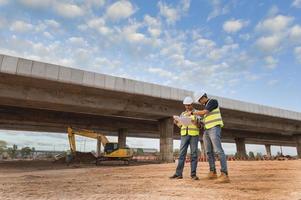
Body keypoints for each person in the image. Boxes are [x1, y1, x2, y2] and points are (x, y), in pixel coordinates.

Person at [190, 91, 230, 183]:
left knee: (218, 150)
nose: (199, 102)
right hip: (207, 130)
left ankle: (225, 174)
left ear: (203, 97)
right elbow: (201, 124)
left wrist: (193, 113)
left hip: (214, 128)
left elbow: (204, 112)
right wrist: (196, 122)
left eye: (199, 100)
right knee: (208, 151)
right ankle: (213, 172)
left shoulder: (213, 102)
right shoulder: (205, 107)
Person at [169, 96, 200, 180]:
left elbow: (200, 125)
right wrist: (176, 122)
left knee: (194, 155)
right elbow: (180, 125)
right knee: (181, 155)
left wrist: (195, 122)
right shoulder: (182, 114)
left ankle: (193, 175)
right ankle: (178, 174)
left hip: (193, 135)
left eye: (188, 105)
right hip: (184, 135)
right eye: (186, 105)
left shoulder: (197, 112)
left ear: (192, 104)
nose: (187, 107)